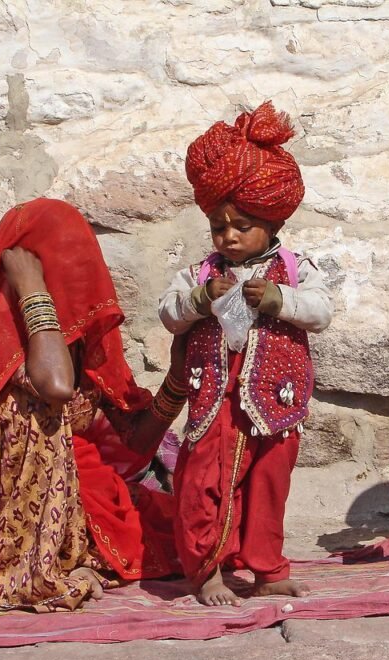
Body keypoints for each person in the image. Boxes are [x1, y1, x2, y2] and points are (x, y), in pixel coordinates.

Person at [0, 198, 187, 610]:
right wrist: (32, 289)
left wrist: (177, 380)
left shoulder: (76, 339)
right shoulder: (9, 342)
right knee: (43, 422)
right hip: (23, 510)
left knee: (198, 530)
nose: (80, 276)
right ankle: (51, 562)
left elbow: (129, 447)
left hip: (85, 487)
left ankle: (84, 550)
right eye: (65, 262)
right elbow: (56, 386)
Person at [159, 102, 333, 606]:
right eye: (220, 226)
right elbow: (170, 315)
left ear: (273, 222)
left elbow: (321, 313)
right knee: (203, 484)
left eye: (243, 225)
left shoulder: (297, 270)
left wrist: (281, 301)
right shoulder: (198, 275)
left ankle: (267, 568)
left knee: (268, 485)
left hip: (276, 404)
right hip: (215, 401)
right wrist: (199, 301)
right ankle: (207, 569)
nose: (229, 236)